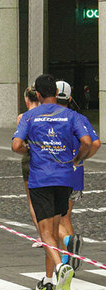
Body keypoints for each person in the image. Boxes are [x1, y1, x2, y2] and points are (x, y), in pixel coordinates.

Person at [12, 74, 93, 290]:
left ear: (37, 94)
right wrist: (77, 159)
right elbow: (87, 142)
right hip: (64, 178)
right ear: (56, 93)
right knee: (56, 228)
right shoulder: (71, 115)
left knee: (45, 232)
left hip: (41, 178)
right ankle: (48, 281)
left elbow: (16, 145)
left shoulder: (29, 116)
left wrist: (29, 150)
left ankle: (60, 267)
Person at [55, 80, 101, 270]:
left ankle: (68, 245)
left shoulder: (48, 117)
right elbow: (95, 143)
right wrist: (80, 159)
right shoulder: (78, 118)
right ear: (70, 98)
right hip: (75, 173)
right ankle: (69, 258)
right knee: (66, 217)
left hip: (54, 173)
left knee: (50, 218)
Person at [18, 87, 43, 246]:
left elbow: (18, 143)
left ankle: (42, 235)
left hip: (30, 158)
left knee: (32, 200)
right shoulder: (46, 114)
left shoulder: (23, 117)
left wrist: (27, 149)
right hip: (47, 157)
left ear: (27, 99)